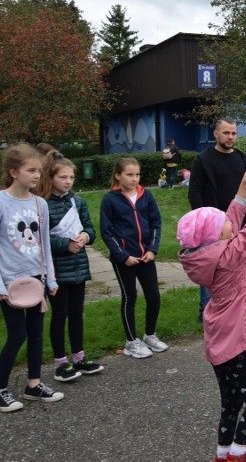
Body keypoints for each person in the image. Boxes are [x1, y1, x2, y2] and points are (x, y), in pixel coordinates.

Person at [178, 157, 246, 462]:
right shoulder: (228, 257)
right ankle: (237, 455)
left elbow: (232, 221)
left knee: (232, 402)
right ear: (216, 237)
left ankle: (222, 454)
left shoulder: (207, 253)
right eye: (223, 224)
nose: (228, 222)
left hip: (218, 340)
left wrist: (243, 187)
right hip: (232, 343)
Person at [0, 145, 64, 413]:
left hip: (36, 281)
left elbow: (44, 244)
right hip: (10, 283)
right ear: (14, 172)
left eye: (39, 170)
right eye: (31, 170)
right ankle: (1, 388)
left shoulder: (41, 204)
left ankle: (33, 385)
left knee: (36, 334)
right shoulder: (1, 201)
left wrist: (50, 279)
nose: (37, 175)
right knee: (18, 334)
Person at [39, 151, 103, 382]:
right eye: (63, 177)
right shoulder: (42, 204)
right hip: (57, 268)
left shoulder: (78, 201)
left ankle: (79, 357)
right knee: (60, 315)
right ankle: (60, 363)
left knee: (77, 313)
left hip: (79, 265)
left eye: (71, 178)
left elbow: (90, 229)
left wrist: (86, 237)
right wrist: (65, 244)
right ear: (51, 178)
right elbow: (40, 239)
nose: (68, 182)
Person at [100, 157, 168, 359]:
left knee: (153, 296)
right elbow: (107, 231)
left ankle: (150, 335)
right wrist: (122, 256)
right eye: (129, 174)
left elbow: (156, 223)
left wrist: (152, 250)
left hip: (146, 256)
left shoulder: (146, 196)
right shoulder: (110, 199)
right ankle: (131, 341)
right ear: (118, 176)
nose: (134, 178)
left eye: (137, 174)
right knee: (130, 296)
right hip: (125, 260)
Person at [189, 119, 246, 319]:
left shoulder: (244, 160)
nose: (231, 137)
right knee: (211, 270)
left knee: (240, 268)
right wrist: (205, 224)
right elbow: (195, 193)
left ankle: (238, 308)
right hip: (213, 229)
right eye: (226, 133)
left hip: (240, 226)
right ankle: (207, 310)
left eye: (234, 133)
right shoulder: (203, 160)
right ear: (216, 134)